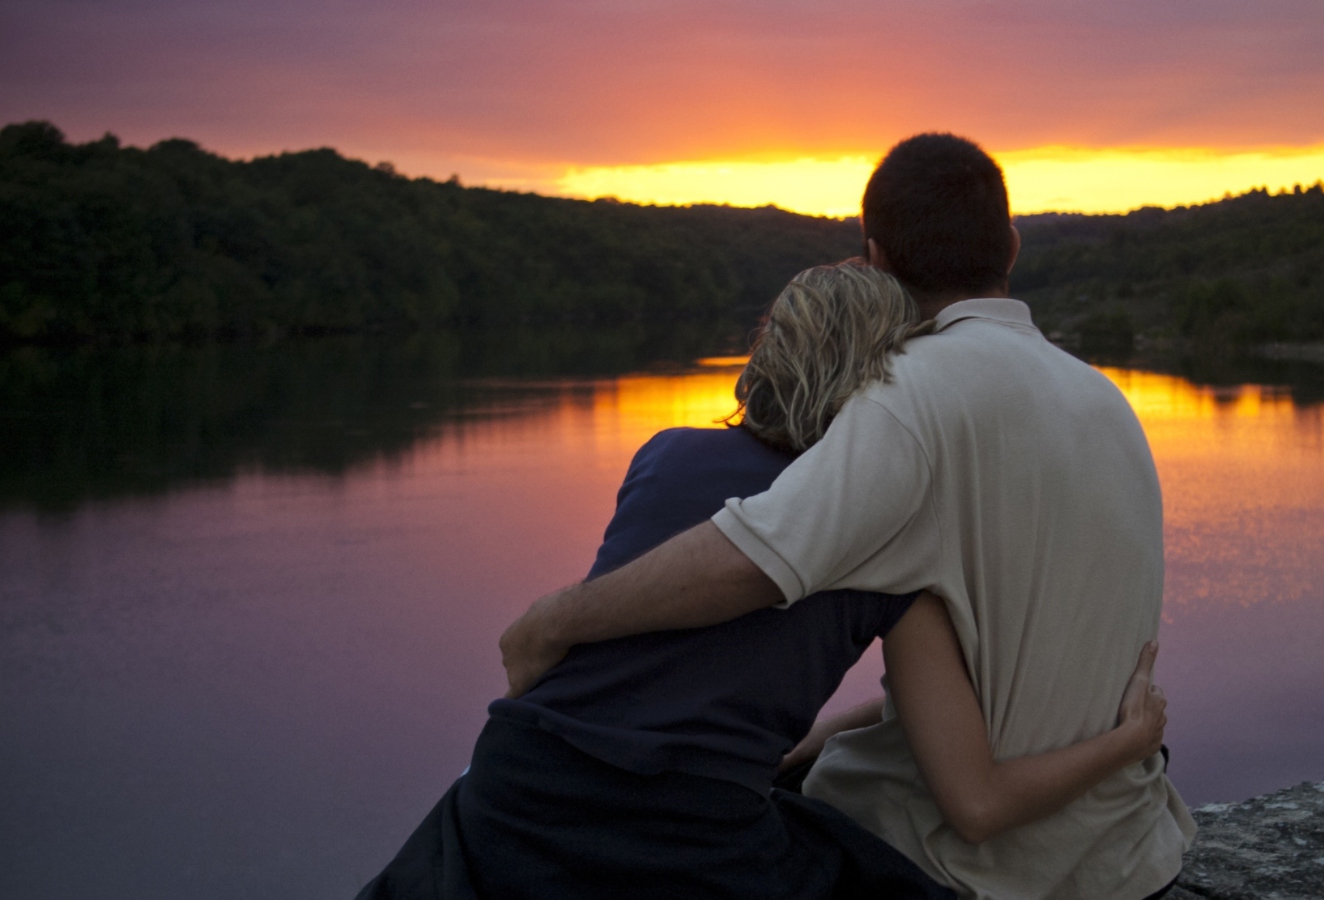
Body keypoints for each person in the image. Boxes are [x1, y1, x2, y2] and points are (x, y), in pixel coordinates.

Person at [498, 134, 1197, 900]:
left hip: (973, 872)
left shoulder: (909, 397)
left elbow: (756, 556)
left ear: (876, 257)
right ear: (1013, 247)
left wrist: (552, 623)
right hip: (1131, 861)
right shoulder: (1109, 403)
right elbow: (1001, 686)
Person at [358, 261, 1170, 900]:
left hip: (513, 791)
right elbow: (977, 800)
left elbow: (672, 682)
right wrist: (1127, 741)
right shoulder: (889, 539)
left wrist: (808, 742)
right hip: (688, 845)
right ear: (889, 377)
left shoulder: (664, 455)